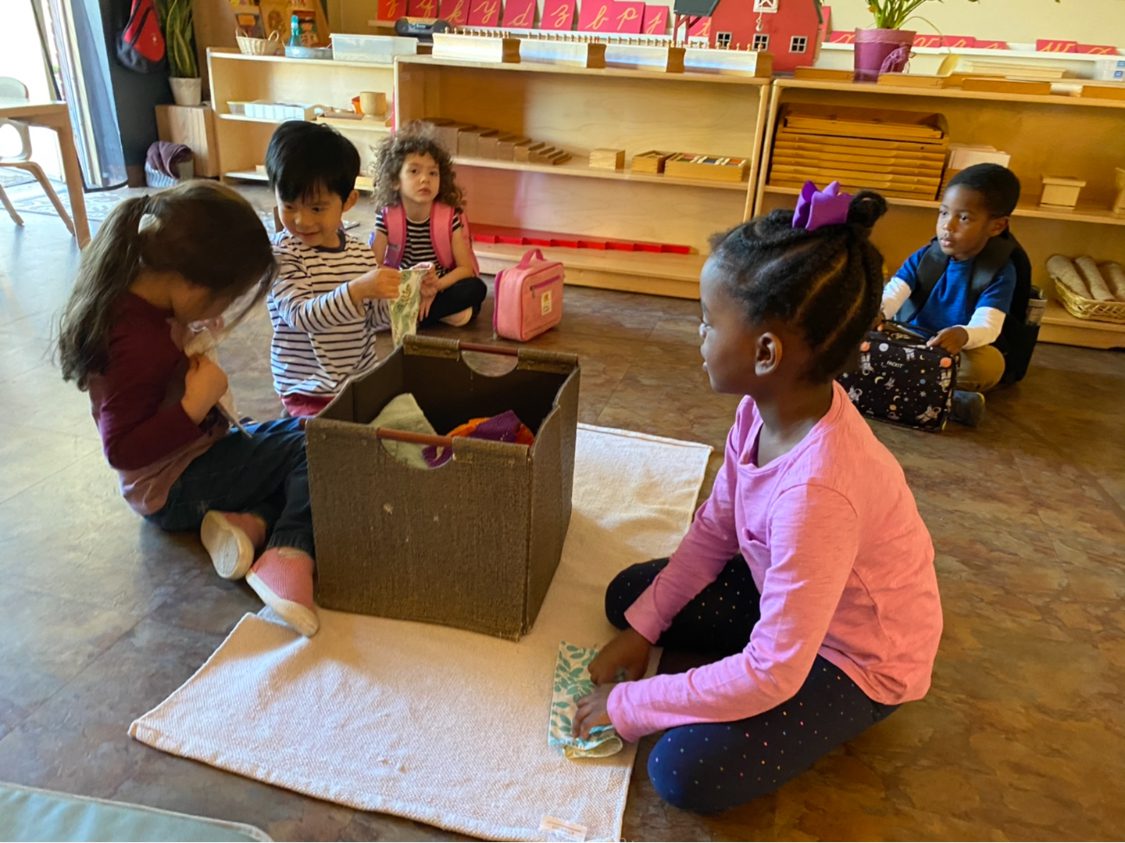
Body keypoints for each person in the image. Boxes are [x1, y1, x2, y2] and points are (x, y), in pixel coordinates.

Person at [573, 187, 943, 814]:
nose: (699, 332)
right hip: (793, 591)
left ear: (767, 353)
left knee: (684, 772)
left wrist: (632, 703)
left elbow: (775, 672)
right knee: (628, 598)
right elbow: (716, 527)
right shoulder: (760, 409)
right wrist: (645, 627)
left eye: (710, 322)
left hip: (855, 659)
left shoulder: (818, 494)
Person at [56, 180, 321, 637]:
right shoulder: (134, 343)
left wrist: (191, 321)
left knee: (287, 443)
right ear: (189, 283)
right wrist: (194, 405)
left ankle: (249, 523)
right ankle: (288, 552)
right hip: (172, 486)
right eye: (223, 298)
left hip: (181, 469)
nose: (224, 309)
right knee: (314, 445)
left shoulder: (138, 301)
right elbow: (121, 449)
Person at [266, 120, 404, 418]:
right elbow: (301, 316)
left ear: (348, 202)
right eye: (289, 206)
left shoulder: (358, 252)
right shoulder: (282, 255)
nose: (301, 220)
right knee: (326, 453)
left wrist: (405, 294)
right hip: (307, 389)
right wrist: (357, 290)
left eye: (316, 208)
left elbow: (375, 319)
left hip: (358, 381)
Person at [880, 163, 1023, 426]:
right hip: (906, 340)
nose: (948, 226)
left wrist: (962, 334)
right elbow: (893, 293)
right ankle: (947, 398)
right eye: (944, 213)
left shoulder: (1001, 271)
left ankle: (883, 381)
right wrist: (878, 313)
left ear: (997, 226)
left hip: (950, 352)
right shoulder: (925, 256)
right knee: (853, 333)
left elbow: (988, 326)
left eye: (964, 218)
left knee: (989, 365)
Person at [370, 122, 487, 328]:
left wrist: (435, 287)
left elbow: (465, 269)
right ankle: (429, 315)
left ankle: (408, 316)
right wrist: (411, 285)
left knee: (476, 289)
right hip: (403, 286)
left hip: (440, 286)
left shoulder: (449, 217)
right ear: (395, 181)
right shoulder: (387, 217)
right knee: (367, 292)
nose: (425, 179)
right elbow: (373, 265)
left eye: (433, 173)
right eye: (414, 171)